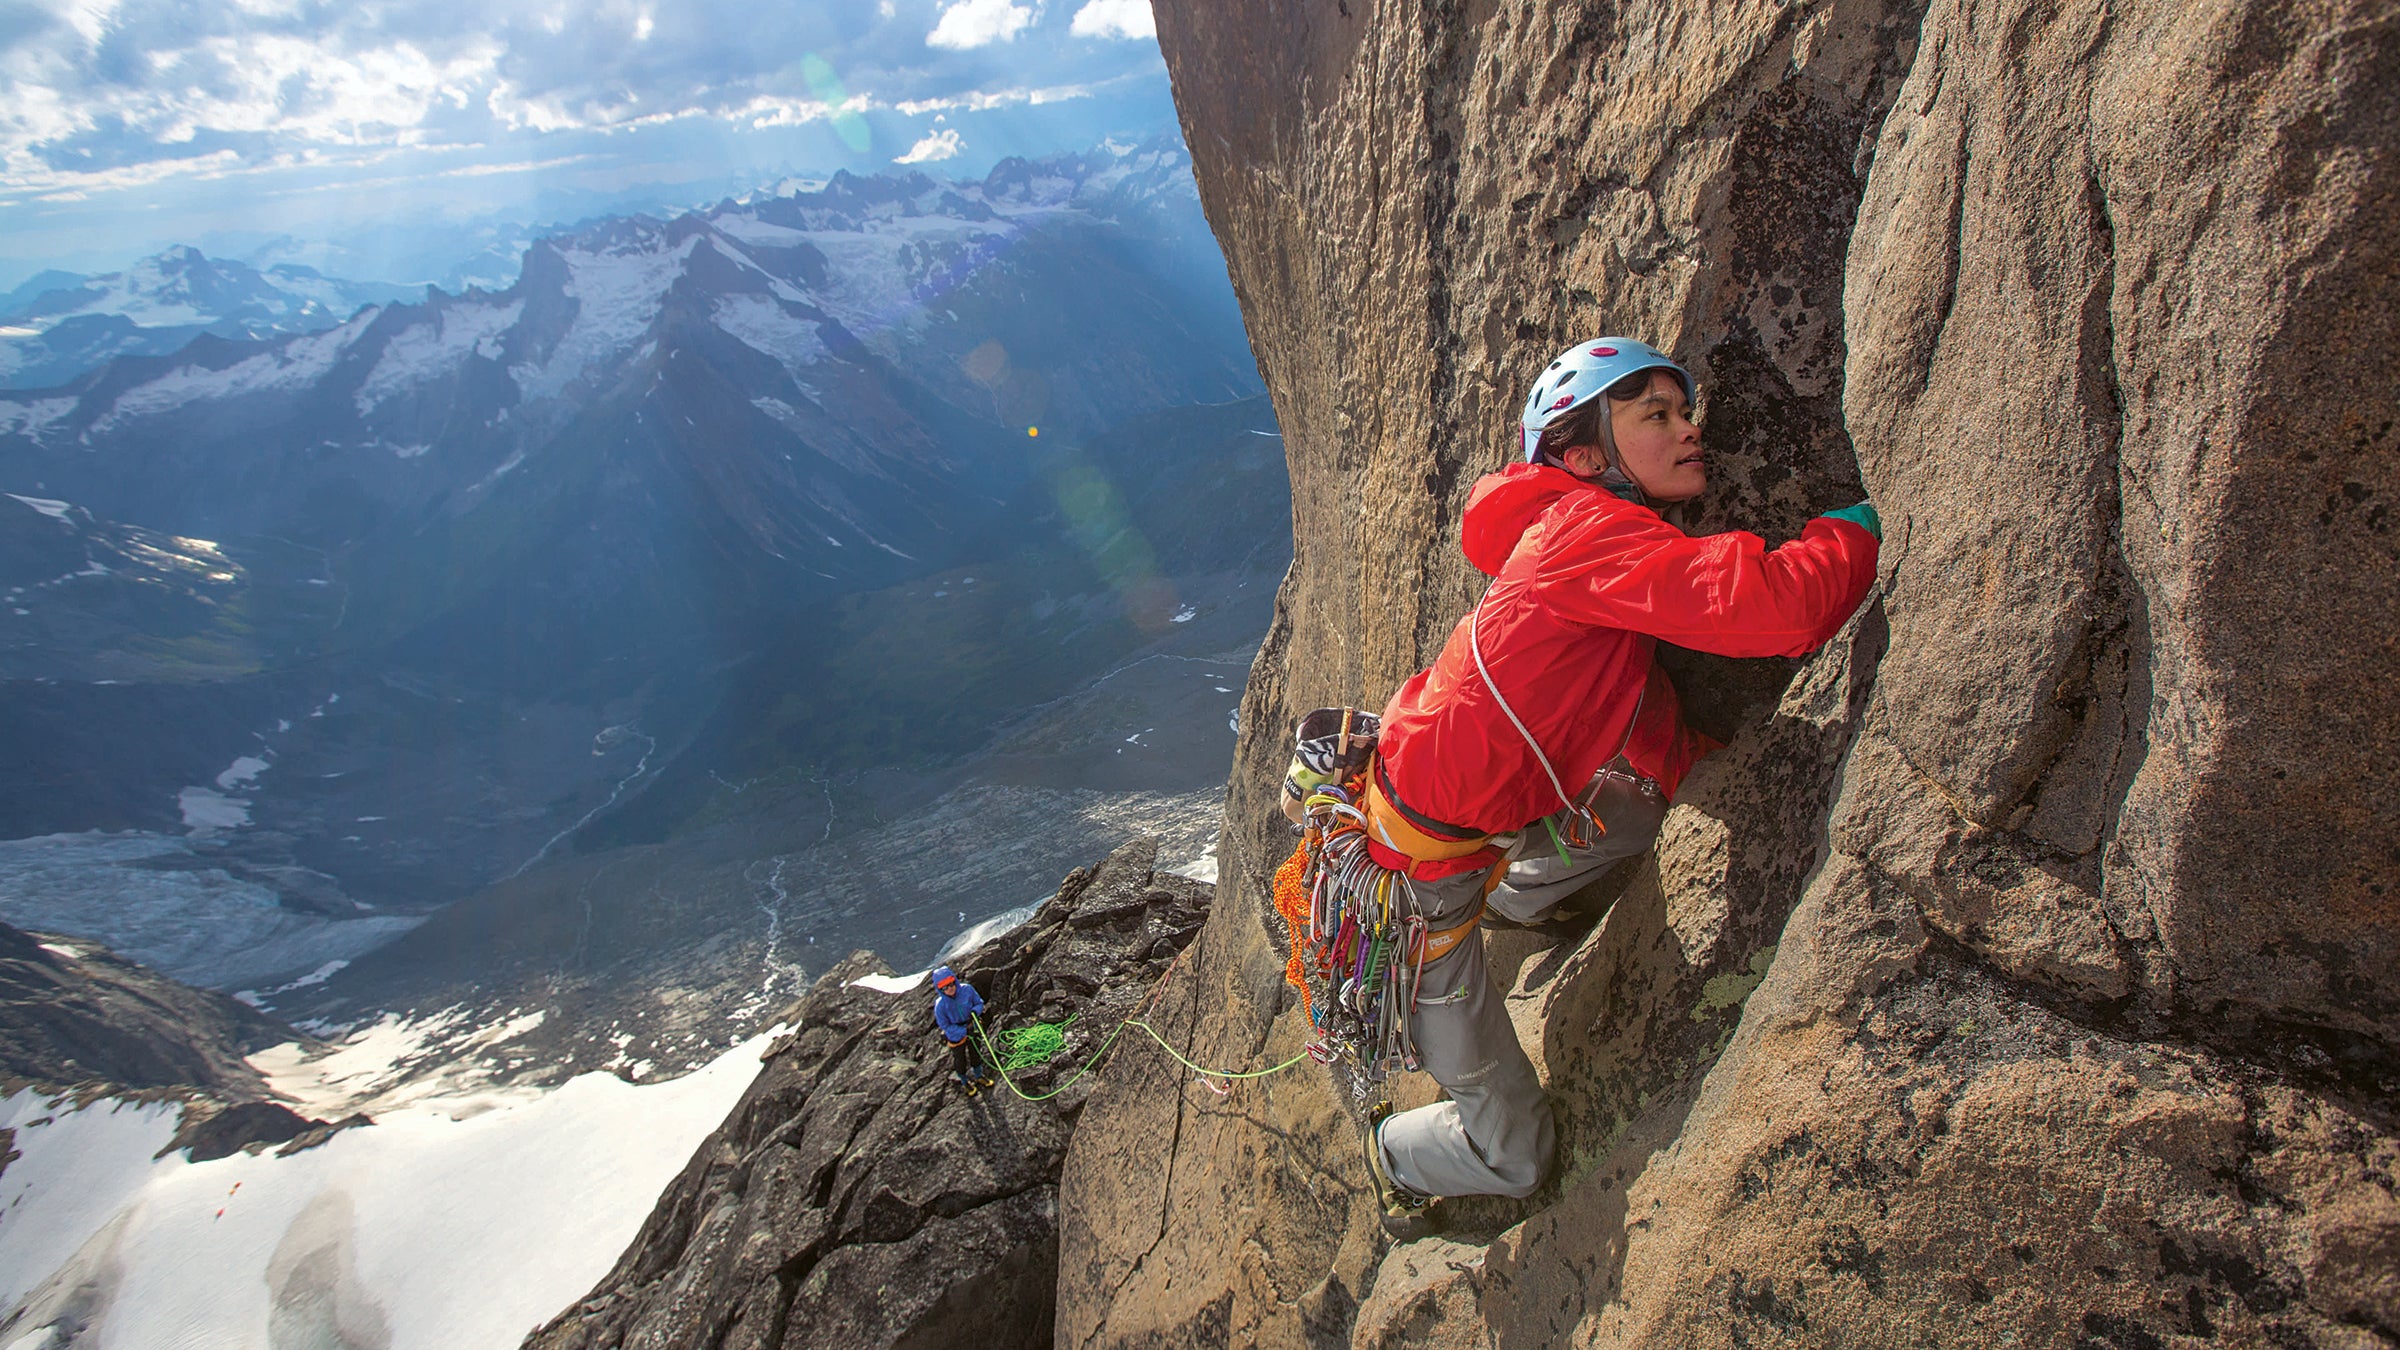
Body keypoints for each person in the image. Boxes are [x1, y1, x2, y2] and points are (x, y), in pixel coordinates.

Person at [1348, 337, 1882, 1228]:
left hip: (1470, 826)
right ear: (1586, 454)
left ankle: (1519, 899)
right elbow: (1776, 610)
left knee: (1639, 805)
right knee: (1516, 1157)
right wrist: (1862, 526)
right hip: (1415, 892)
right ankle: (1394, 1152)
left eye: (1686, 409)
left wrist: (1703, 775)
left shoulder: (1582, 537)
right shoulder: (1587, 533)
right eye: (1657, 416)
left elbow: (1629, 697)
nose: (1690, 429)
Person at [931, 965, 997, 1094]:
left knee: (975, 1053)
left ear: (954, 981)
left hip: (972, 1025)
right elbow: (945, 1026)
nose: (950, 988)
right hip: (957, 1035)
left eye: (951, 984)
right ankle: (965, 1082)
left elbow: (978, 1003)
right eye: (945, 987)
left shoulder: (967, 990)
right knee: (960, 1060)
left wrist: (975, 1012)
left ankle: (978, 1076)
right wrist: (964, 1032)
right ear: (940, 989)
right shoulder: (940, 1005)